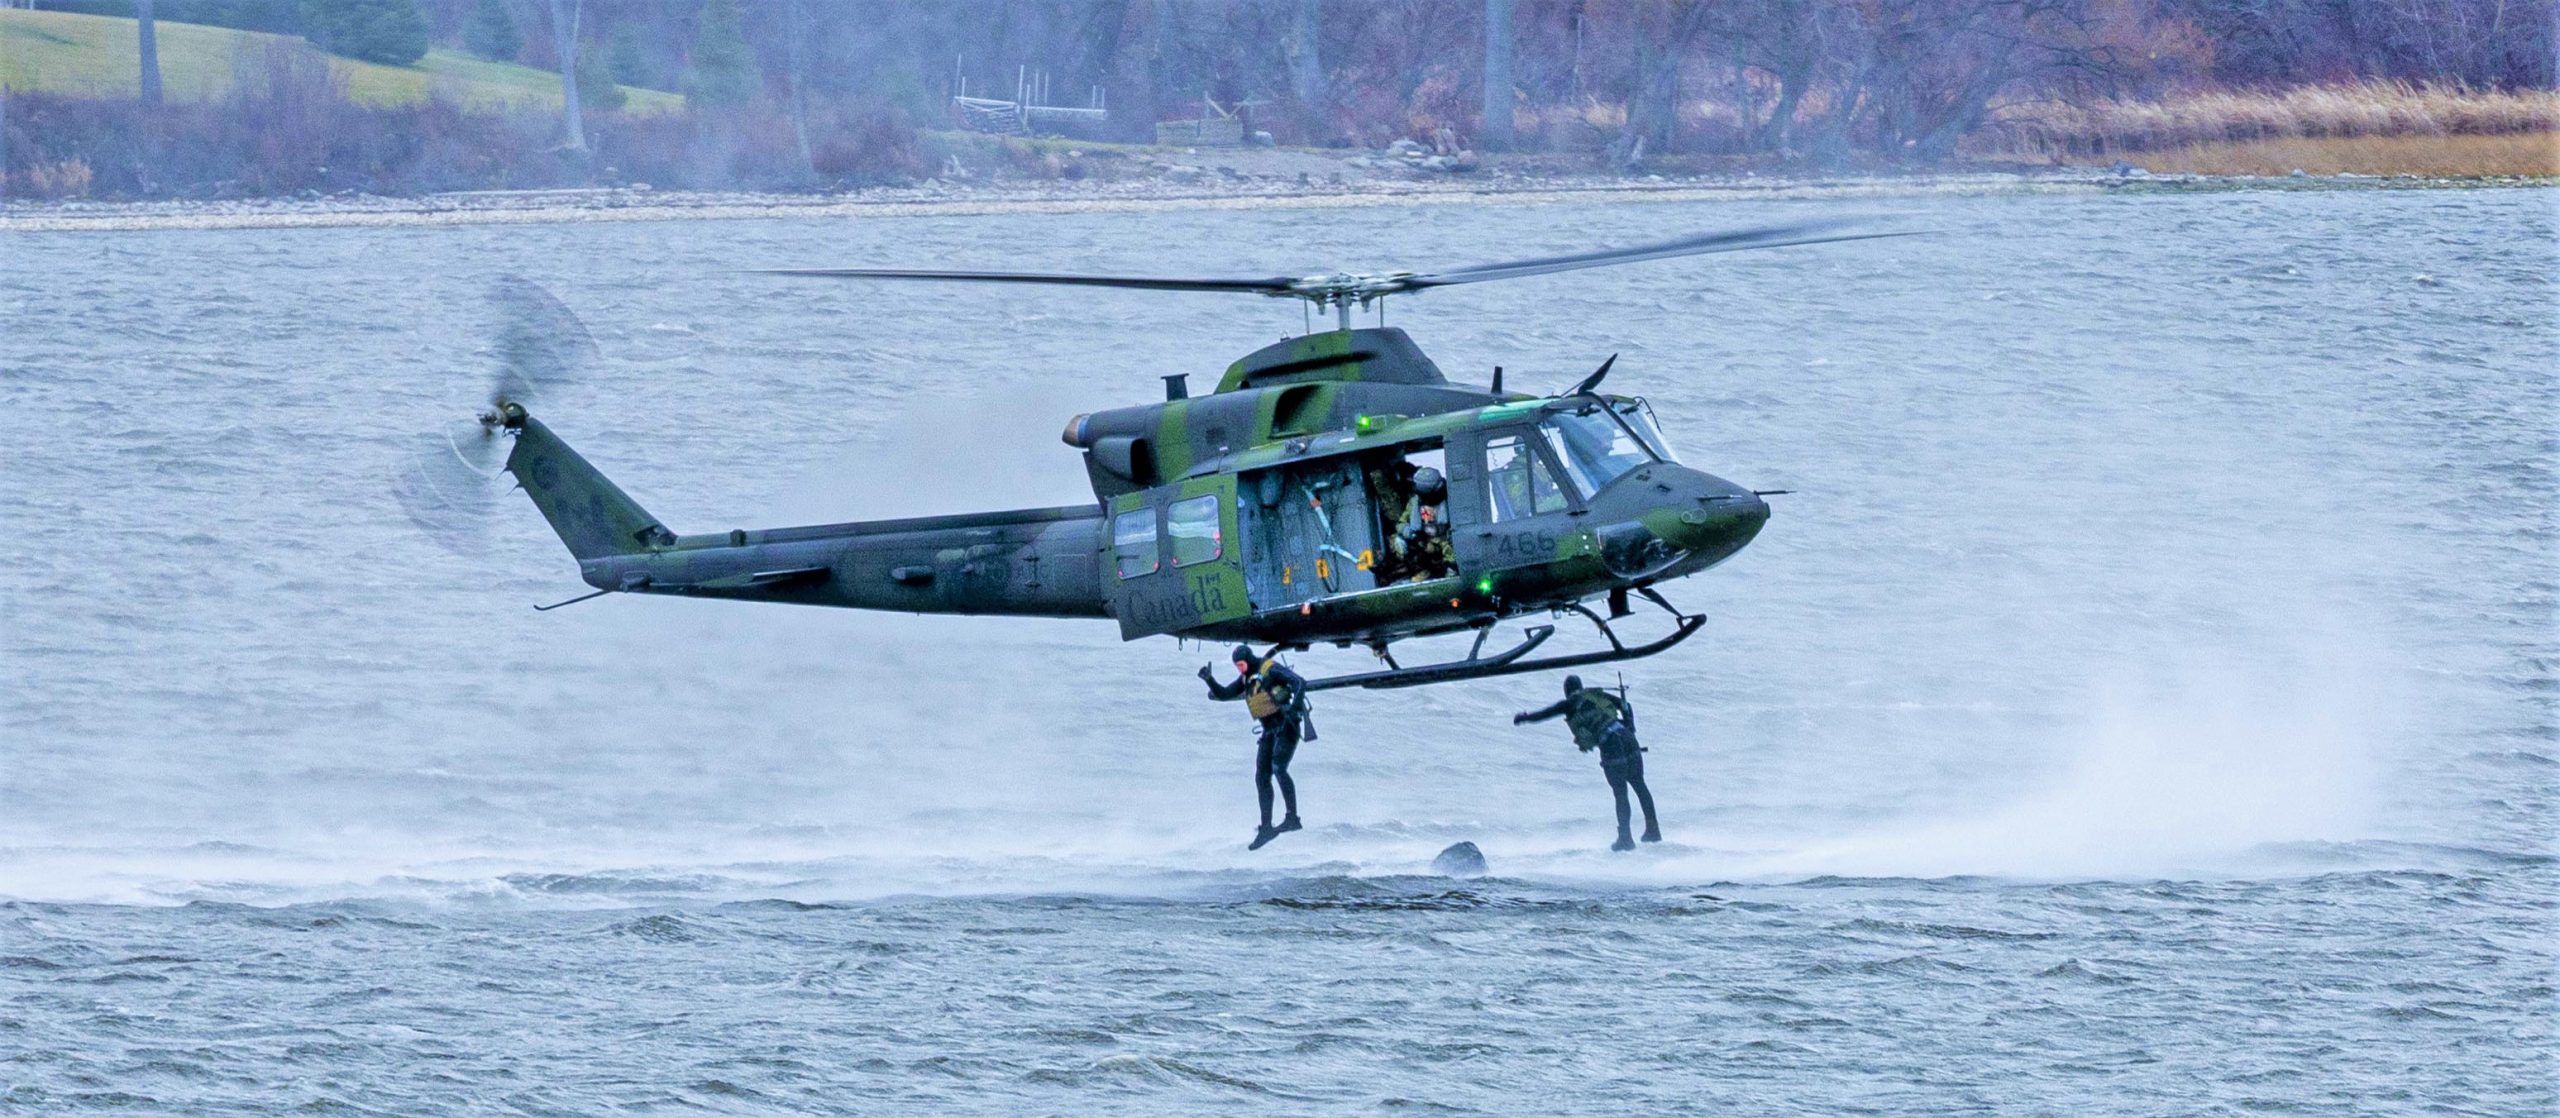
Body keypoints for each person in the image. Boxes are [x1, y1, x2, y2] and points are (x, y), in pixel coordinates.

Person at [1515, 675, 1660, 851]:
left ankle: (1625, 838)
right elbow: (1626, 706)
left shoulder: (1568, 704)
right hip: (1627, 737)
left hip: (1610, 742)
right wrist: (1630, 725)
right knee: (1640, 785)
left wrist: (1524, 718)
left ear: (1566, 691)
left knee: (1620, 793)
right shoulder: (1597, 695)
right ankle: (1653, 830)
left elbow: (1545, 714)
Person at [1201, 644, 1312, 850]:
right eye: (1237, 667)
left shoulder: (1269, 668)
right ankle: (1266, 828)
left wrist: (1295, 709)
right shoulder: (1246, 677)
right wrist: (1209, 679)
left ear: (1249, 659)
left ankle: (1292, 818)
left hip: (1286, 725)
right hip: (1268, 731)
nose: (1240, 670)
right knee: (1261, 777)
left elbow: (1299, 682)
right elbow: (1225, 694)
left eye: (1241, 665)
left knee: (1279, 768)